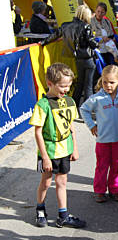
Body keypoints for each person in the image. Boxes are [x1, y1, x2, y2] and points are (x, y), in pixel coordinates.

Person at [29, 63, 86, 228]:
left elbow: (71, 127)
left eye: (68, 86)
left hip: (65, 150)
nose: (66, 89)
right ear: (50, 83)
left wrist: (74, 148)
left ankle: (63, 215)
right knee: (46, 182)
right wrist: (45, 157)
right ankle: (40, 210)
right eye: (62, 86)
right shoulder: (43, 105)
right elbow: (38, 132)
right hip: (49, 152)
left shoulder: (69, 101)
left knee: (62, 182)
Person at [80, 65, 118, 203]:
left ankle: (114, 189)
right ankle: (100, 191)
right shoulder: (96, 98)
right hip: (103, 139)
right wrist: (91, 125)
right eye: (105, 82)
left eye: (112, 82)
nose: (108, 85)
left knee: (116, 165)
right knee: (102, 165)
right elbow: (84, 109)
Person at [41, 5, 98, 108]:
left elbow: (54, 36)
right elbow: (92, 43)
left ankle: (74, 105)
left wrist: (42, 43)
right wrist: (98, 43)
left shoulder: (65, 25)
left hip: (77, 58)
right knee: (88, 85)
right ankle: (87, 109)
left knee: (79, 83)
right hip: (88, 58)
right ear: (86, 15)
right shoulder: (86, 26)